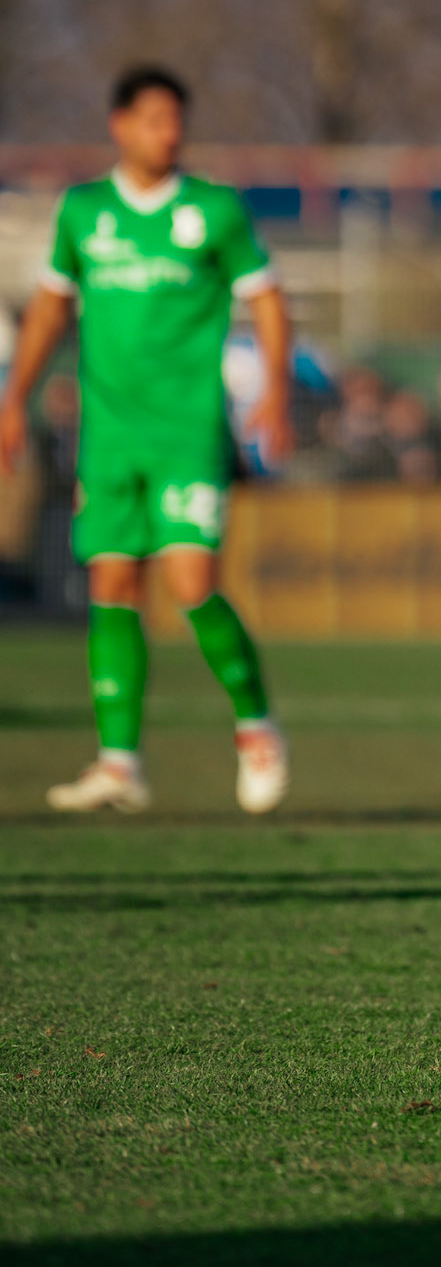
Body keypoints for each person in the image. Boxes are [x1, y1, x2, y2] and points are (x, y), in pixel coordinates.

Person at [0, 65, 293, 814]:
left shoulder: (213, 210)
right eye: (155, 119)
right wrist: (14, 399)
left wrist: (276, 393)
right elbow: (48, 309)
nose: (170, 133)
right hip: (108, 437)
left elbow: (265, 299)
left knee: (192, 584)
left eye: (177, 120)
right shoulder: (84, 211)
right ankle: (119, 763)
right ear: (120, 125)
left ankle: (256, 727)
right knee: (111, 585)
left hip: (188, 433)